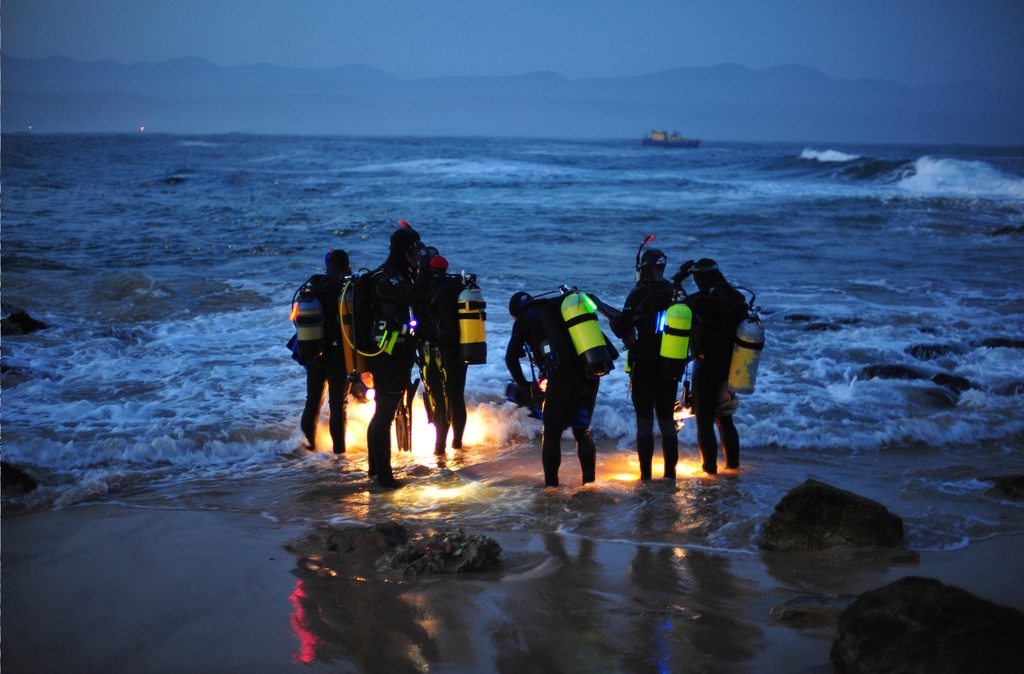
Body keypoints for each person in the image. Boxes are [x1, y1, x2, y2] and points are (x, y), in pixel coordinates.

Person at [505, 291, 599, 488]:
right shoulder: (558, 310)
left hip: (564, 378)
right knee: (582, 432)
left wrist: (523, 385)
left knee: (552, 434)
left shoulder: (524, 319)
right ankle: (589, 484)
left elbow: (511, 358)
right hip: (589, 374)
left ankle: (551, 488)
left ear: (517, 312)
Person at [365, 223, 431, 487]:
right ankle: (384, 477)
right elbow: (418, 296)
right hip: (387, 356)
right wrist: (425, 266)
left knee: (383, 412)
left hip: (394, 354)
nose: (417, 256)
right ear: (405, 250)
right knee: (385, 413)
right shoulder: (387, 278)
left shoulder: (397, 274)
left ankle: (376, 472)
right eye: (415, 250)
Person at [673, 258, 748, 474]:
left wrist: (678, 280)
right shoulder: (737, 298)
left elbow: (676, 304)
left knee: (704, 422)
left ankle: (709, 471)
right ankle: (733, 468)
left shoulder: (700, 301)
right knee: (725, 419)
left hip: (705, 366)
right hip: (730, 366)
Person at [611, 248, 680, 480]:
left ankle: (646, 478)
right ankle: (670, 476)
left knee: (644, 423)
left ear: (645, 268)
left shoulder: (638, 293)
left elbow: (621, 327)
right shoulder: (676, 291)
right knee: (667, 421)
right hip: (671, 366)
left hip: (645, 365)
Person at [300, 249, 353, 453]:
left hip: (314, 351)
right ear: (347, 265)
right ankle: (339, 453)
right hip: (339, 354)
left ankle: (306, 450)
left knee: (312, 401)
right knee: (338, 404)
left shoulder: (314, 285)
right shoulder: (347, 287)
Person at [420, 253, 469, 454]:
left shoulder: (427, 287)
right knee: (457, 397)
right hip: (461, 349)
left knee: (438, 398)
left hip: (437, 351)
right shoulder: (458, 286)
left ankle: (439, 447)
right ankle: (457, 444)